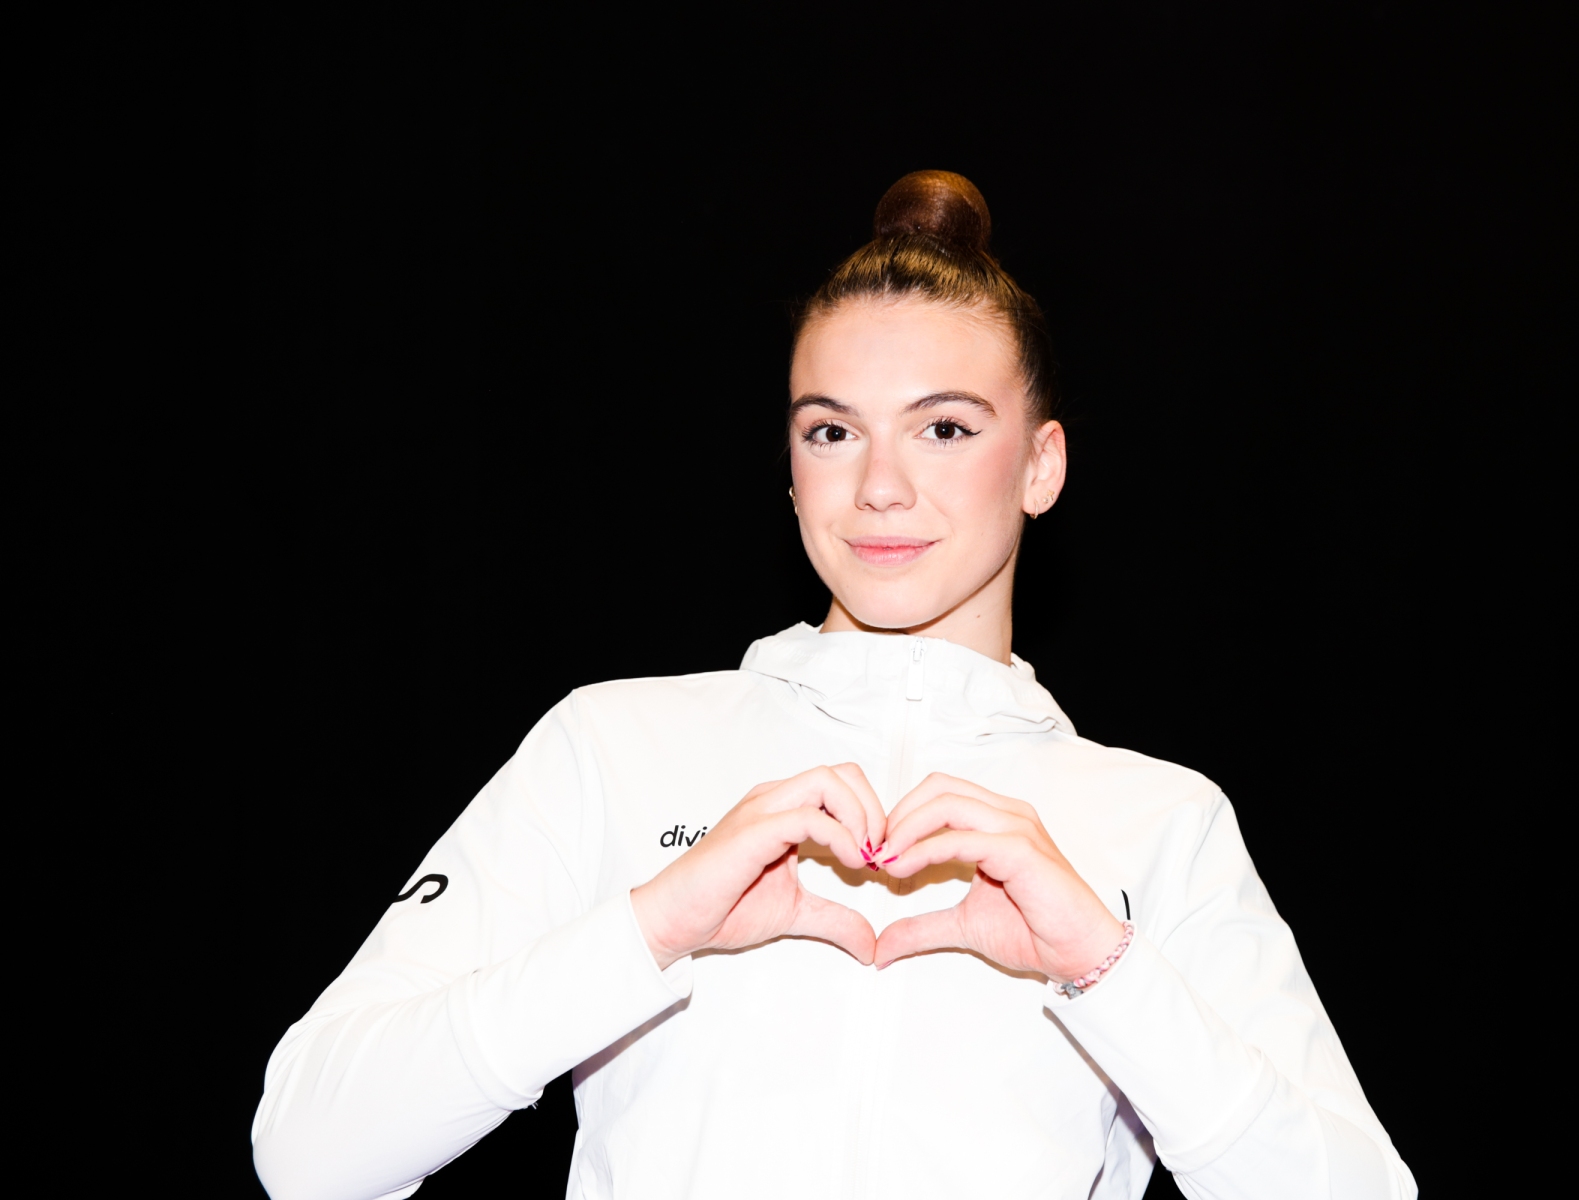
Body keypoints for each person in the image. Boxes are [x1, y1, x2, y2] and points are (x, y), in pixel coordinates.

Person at [252, 170, 1416, 1200]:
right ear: (792, 467)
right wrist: (653, 927)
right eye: (831, 432)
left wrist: (1106, 970)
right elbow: (307, 1154)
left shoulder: (1161, 821)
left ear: (1041, 464)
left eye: (945, 429)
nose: (880, 488)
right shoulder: (611, 744)